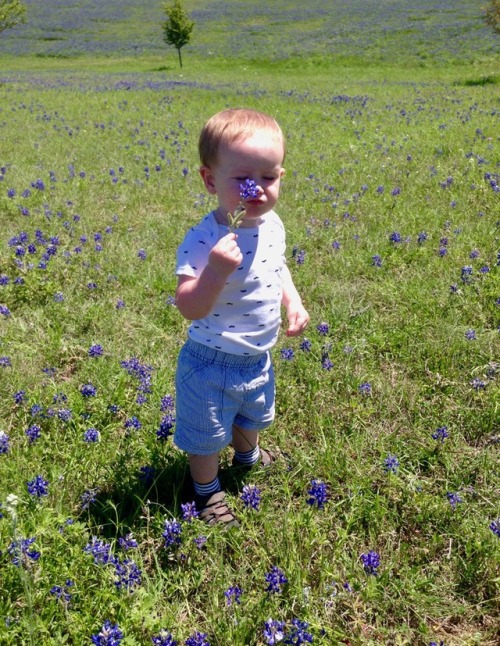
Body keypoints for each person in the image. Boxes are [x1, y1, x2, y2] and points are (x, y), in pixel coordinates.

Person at [174, 108, 310, 526]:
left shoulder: (272, 225)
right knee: (207, 435)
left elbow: (277, 266)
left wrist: (294, 300)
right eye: (243, 179)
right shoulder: (204, 237)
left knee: (252, 413)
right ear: (210, 180)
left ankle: (248, 455)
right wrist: (214, 271)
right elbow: (187, 305)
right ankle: (206, 492)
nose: (257, 189)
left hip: (257, 355)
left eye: (269, 178)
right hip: (211, 362)